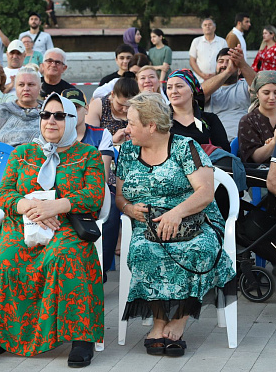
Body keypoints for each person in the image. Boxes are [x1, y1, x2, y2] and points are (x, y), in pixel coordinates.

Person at [0, 92, 105, 367]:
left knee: (66, 258)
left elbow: (95, 196)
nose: (50, 121)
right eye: (46, 115)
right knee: (6, 259)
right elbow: (5, 193)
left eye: (59, 116)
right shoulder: (23, 153)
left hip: (66, 226)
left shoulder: (88, 155)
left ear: (71, 120)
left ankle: (82, 337)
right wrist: (28, 206)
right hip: (22, 224)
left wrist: (57, 206)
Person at [115, 92, 236, 357]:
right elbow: (120, 196)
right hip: (147, 225)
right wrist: (127, 207)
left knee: (199, 249)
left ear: (151, 126)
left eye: (131, 123)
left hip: (195, 221)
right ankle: (159, 320)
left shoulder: (185, 147)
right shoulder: (127, 150)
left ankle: (179, 319)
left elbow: (205, 192)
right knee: (143, 252)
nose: (127, 129)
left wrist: (176, 213)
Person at [68, 87, 116, 275]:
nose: (72, 113)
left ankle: (100, 272)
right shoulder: (53, 132)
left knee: (111, 214)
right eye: (67, 109)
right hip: (64, 193)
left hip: (95, 189)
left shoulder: (100, 133)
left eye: (76, 108)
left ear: (86, 109)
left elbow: (101, 175)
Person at [168, 69, 230, 152]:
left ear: (192, 90)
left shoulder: (210, 120)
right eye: (169, 87)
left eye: (179, 86)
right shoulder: (160, 120)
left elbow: (225, 153)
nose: (173, 91)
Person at [202, 47, 256, 141]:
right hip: (217, 143)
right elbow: (201, 94)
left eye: (229, 61)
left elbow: (260, 87)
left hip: (245, 141)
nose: (224, 65)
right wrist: (228, 71)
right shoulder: (210, 87)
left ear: (239, 71)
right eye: (221, 61)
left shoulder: (245, 84)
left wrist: (242, 64)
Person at [0, 66, 42, 146]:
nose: (26, 89)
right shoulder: (3, 110)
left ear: (40, 87)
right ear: (16, 87)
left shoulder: (48, 111)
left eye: (31, 84)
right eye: (21, 85)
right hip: (5, 156)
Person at [237, 71, 276, 163]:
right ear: (257, 94)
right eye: (266, 93)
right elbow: (255, 159)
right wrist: (274, 142)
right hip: (259, 174)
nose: (272, 97)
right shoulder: (247, 121)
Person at [86, 76, 140, 146]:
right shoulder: (99, 106)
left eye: (129, 106)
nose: (124, 109)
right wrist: (111, 139)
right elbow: (90, 139)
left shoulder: (140, 107)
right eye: (120, 104)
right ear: (112, 94)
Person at [189, 18, 227, 82]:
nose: (207, 27)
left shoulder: (222, 42)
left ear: (214, 28)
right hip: (199, 80)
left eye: (210, 24)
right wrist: (202, 75)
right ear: (202, 29)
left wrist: (216, 74)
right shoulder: (196, 41)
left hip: (218, 79)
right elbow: (192, 61)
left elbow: (226, 60)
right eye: (205, 25)